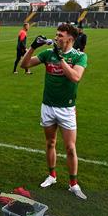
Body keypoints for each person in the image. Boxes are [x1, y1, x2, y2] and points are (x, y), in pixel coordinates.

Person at [20, 23, 88, 200]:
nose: (56, 37)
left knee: (70, 148)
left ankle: (73, 184)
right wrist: (33, 47)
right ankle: (52, 176)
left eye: (60, 35)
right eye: (56, 34)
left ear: (70, 39)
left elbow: (75, 77)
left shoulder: (79, 56)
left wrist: (61, 59)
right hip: (48, 106)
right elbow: (24, 65)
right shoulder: (48, 54)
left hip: (66, 109)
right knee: (50, 143)